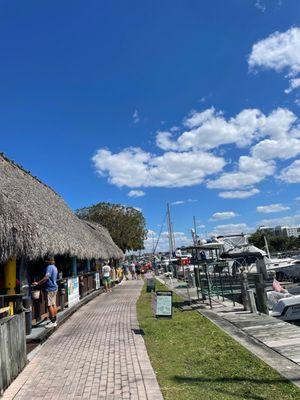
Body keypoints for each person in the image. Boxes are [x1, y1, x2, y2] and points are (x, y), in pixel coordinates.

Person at [33, 256, 58, 328]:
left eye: (46, 261)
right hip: (54, 287)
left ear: (48, 261)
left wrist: (38, 283)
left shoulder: (49, 267)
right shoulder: (55, 267)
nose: (45, 262)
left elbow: (46, 277)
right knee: (53, 304)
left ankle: (53, 322)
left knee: (49, 305)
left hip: (49, 288)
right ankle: (54, 320)